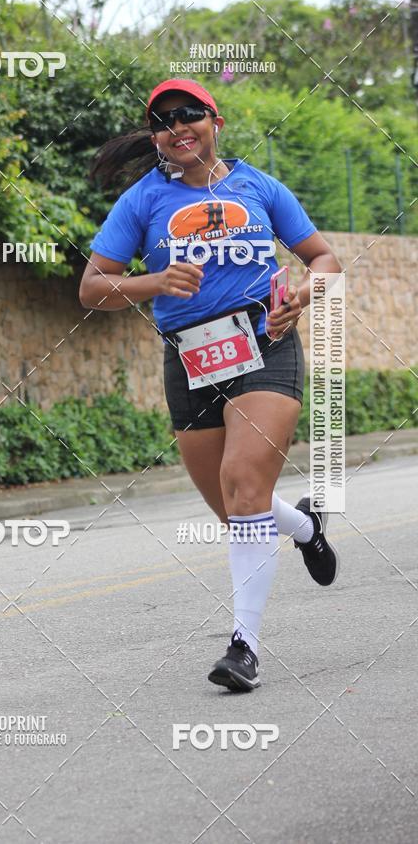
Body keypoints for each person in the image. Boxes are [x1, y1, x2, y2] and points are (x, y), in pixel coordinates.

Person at [79, 78, 342, 692]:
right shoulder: (142, 201)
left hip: (263, 343)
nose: (178, 126)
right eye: (164, 120)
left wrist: (299, 297)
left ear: (214, 121)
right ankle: (304, 528)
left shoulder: (260, 186)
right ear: (156, 137)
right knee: (235, 509)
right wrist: (154, 283)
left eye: (189, 114)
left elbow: (325, 259)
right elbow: (93, 288)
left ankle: (244, 647)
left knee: (244, 485)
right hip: (190, 359)